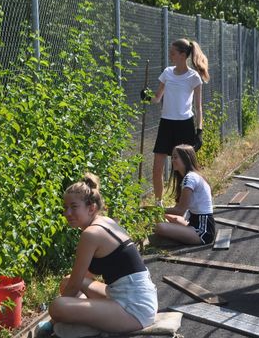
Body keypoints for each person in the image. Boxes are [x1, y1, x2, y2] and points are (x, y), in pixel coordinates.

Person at [36, 173, 157, 338]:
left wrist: (52, 322)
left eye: (73, 207)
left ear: (91, 208)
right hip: (129, 295)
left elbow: (74, 287)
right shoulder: (105, 221)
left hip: (134, 308)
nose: (67, 213)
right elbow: (79, 279)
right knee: (66, 282)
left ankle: (88, 325)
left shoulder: (91, 234)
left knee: (57, 307)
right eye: (65, 208)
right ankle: (92, 320)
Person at [142, 38, 210, 207]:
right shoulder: (167, 73)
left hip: (184, 125)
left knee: (184, 170)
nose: (170, 55)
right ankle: (159, 204)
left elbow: (199, 107)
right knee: (157, 168)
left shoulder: (194, 77)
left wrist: (199, 131)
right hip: (166, 124)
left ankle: (184, 204)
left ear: (182, 55)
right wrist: (147, 97)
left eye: (173, 53)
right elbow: (157, 99)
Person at [155, 144, 215, 245]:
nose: (172, 160)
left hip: (202, 231)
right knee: (167, 216)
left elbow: (180, 211)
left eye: (175, 157)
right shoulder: (191, 176)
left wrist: (155, 210)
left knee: (159, 227)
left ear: (185, 159)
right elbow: (178, 210)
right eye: (172, 157)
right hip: (194, 223)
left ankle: (177, 238)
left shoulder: (190, 178)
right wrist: (162, 213)